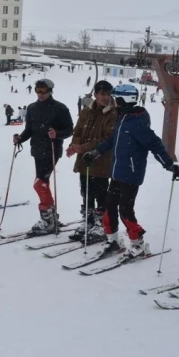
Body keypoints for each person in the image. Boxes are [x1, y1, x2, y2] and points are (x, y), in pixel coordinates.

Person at [83, 84, 179, 258]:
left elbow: (155, 144)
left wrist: (168, 164)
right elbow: (112, 140)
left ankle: (139, 244)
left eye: (116, 99)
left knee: (125, 210)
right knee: (110, 206)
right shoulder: (123, 118)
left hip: (131, 174)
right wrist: (96, 152)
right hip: (117, 173)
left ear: (124, 100)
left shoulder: (137, 123)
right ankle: (113, 240)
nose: (113, 101)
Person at [14, 79, 74, 234]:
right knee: (42, 183)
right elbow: (29, 129)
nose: (40, 94)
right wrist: (20, 138)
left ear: (50, 91)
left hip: (52, 150)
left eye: (43, 91)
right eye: (38, 91)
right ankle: (51, 216)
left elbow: (69, 129)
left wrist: (57, 134)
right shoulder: (32, 108)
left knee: (39, 184)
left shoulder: (60, 108)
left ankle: (48, 219)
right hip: (37, 150)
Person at [66, 80, 116, 242]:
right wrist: (74, 145)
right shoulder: (87, 111)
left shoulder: (113, 113)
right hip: (84, 161)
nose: (105, 97)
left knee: (101, 193)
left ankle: (101, 224)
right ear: (95, 94)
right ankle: (88, 221)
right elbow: (78, 130)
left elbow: (106, 139)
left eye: (108, 94)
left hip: (102, 160)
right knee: (86, 192)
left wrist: (83, 147)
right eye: (102, 94)